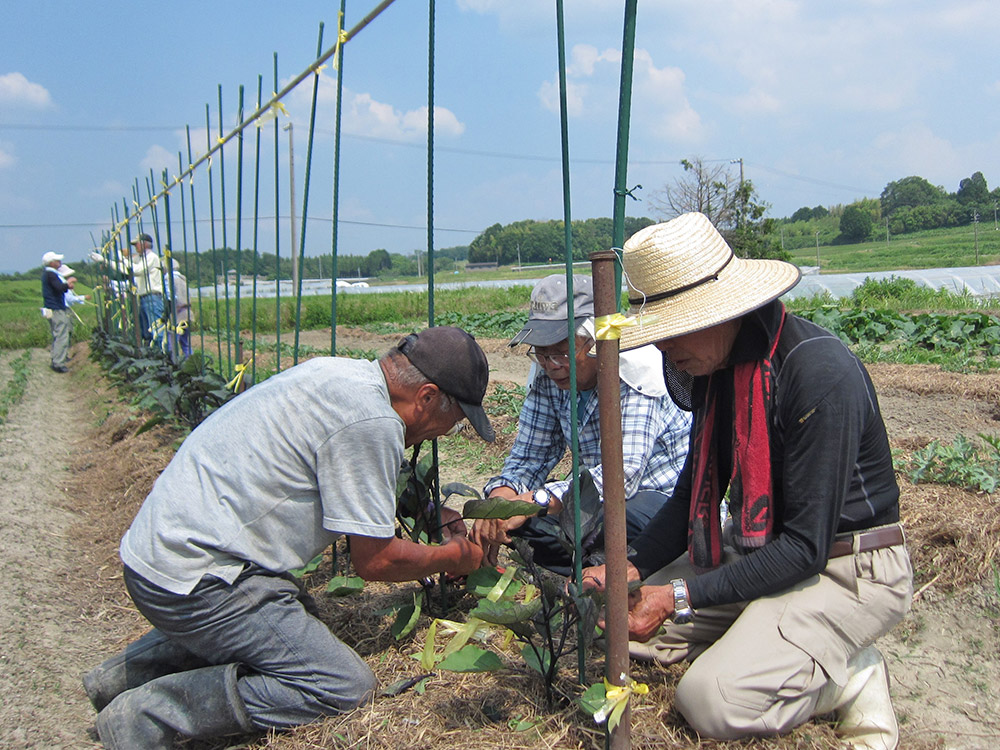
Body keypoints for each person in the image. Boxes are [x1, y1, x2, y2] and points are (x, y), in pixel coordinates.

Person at [582, 213, 912, 750]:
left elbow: (806, 547)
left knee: (709, 701)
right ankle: (768, 643)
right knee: (616, 634)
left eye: (675, 330)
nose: (665, 349)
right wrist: (632, 567)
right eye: (658, 334)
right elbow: (690, 494)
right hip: (768, 554)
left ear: (724, 310)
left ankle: (850, 676)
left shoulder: (817, 374)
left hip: (847, 566)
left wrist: (681, 593)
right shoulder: (719, 371)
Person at [82, 326, 494, 749]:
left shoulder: (343, 376)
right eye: (455, 419)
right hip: (196, 579)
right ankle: (147, 716)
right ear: (426, 396)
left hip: (160, 555)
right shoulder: (371, 421)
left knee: (293, 619)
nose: (447, 432)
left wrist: (429, 513)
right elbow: (376, 561)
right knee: (342, 685)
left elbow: (353, 482)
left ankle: (119, 677)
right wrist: (453, 557)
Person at [470, 274, 691, 576]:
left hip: (659, 498)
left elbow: (621, 477)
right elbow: (528, 458)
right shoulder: (549, 376)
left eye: (561, 351)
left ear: (593, 340)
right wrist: (502, 499)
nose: (550, 364)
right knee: (525, 524)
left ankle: (612, 568)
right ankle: (593, 568)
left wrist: (538, 499)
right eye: (541, 352)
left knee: (617, 521)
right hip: (597, 503)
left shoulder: (636, 369)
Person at [91, 233, 164, 346]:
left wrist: (122, 258)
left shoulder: (151, 257)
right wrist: (106, 261)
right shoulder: (141, 258)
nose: (135, 247)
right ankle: (153, 354)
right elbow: (126, 270)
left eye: (137, 244)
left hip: (152, 297)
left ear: (145, 244)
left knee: (156, 331)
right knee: (146, 331)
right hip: (144, 297)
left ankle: (162, 355)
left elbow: (136, 270)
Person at [40, 251, 71, 373]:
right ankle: (58, 363)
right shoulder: (51, 275)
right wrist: (68, 284)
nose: (60, 262)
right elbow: (59, 288)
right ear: (51, 263)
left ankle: (56, 359)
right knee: (61, 335)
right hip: (56, 308)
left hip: (51, 307)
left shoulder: (46, 274)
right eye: (57, 260)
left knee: (56, 334)